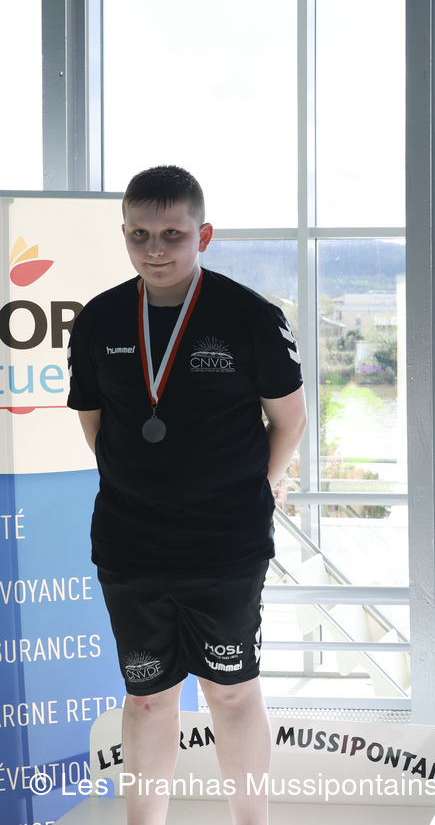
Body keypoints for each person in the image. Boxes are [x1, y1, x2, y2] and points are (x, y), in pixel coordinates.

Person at [68, 166, 307, 825]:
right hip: (131, 543)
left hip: (225, 544)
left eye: (172, 234)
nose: (155, 249)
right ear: (124, 233)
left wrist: (255, 488)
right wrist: (139, 483)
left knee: (230, 693)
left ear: (202, 235)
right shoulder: (99, 320)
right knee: (147, 698)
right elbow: (94, 423)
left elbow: (290, 421)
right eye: (139, 234)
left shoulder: (250, 316)